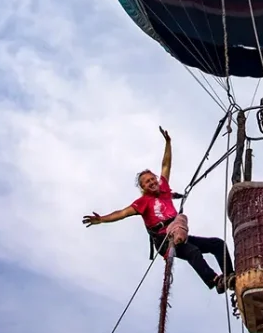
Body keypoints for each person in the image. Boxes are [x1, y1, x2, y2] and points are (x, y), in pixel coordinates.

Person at [82, 126, 235, 294]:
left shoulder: (163, 188)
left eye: (152, 178)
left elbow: (166, 165)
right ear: (143, 188)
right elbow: (122, 213)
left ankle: (230, 276)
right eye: (147, 182)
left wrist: (168, 143)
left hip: (178, 232)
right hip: (164, 240)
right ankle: (214, 280)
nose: (152, 182)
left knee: (217, 244)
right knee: (193, 252)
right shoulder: (143, 202)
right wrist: (102, 219)